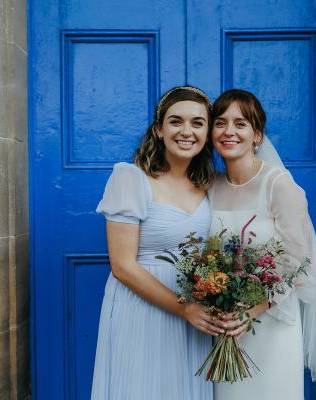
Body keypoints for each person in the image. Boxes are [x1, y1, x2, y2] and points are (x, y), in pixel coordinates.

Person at [208, 89, 316, 399]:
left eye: (240, 123)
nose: (229, 131)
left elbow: (299, 261)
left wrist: (252, 311)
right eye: (220, 123)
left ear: (256, 135)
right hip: (226, 322)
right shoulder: (210, 185)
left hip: (270, 319)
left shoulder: (279, 184)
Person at [92, 86, 224, 400]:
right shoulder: (131, 179)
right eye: (176, 121)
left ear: (206, 132)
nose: (186, 131)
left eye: (197, 123)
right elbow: (122, 267)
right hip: (142, 308)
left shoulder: (208, 184)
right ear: (159, 129)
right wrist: (185, 308)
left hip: (194, 315)